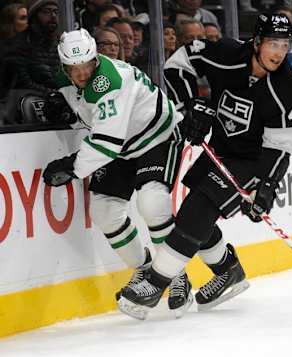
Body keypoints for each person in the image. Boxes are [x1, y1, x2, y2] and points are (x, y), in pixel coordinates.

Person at [117, 13, 292, 320]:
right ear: (257, 42)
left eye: (285, 44)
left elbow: (280, 148)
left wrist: (266, 187)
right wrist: (192, 104)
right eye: (272, 43)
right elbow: (178, 64)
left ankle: (154, 284)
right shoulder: (227, 54)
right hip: (220, 149)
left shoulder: (286, 88)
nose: (278, 52)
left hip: (251, 162)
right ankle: (227, 271)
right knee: (197, 213)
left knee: (195, 213)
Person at [41, 29, 192, 317]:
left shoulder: (109, 80)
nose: (82, 73)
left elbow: (104, 142)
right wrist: (69, 113)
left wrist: (72, 167)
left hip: (156, 137)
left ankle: (176, 276)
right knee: (104, 211)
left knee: (152, 202)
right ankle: (146, 270)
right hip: (121, 146)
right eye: (74, 68)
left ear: (95, 58)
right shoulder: (65, 81)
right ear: (64, 67)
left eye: (86, 65)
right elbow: (91, 118)